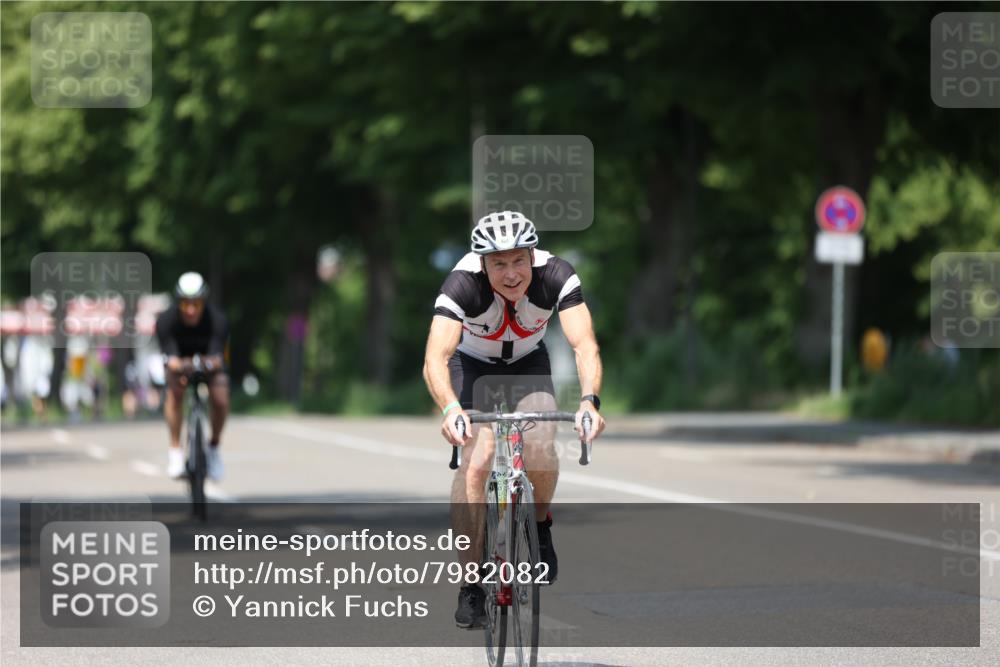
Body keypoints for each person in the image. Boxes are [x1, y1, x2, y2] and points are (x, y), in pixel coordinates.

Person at [423, 211, 606, 628]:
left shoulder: (557, 275)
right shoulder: (461, 284)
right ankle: (471, 584)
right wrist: (451, 410)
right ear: (482, 264)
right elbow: (436, 357)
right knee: (477, 456)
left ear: (533, 256)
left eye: (518, 261)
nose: (510, 274)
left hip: (528, 364)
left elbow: (584, 346)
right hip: (471, 368)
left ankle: (540, 526)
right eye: (498, 264)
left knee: (542, 440)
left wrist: (589, 401)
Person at [155, 272, 229, 480]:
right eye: (186, 304)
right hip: (180, 364)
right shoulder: (165, 321)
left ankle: (213, 448)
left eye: (196, 304)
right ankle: (176, 450)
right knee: (175, 392)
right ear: (179, 303)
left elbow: (217, 357)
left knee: (221, 397)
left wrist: (207, 363)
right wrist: (180, 365)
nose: (190, 310)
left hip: (209, 365)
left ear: (203, 302)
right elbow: (169, 358)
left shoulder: (218, 320)